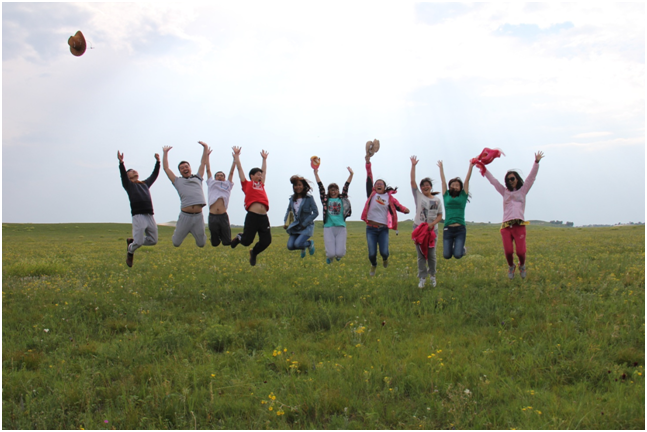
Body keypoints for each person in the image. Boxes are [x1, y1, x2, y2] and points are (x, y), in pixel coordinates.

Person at [483, 151, 545, 279]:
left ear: (517, 179)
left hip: (519, 225)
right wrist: (483, 169)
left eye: (512, 178)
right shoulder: (504, 192)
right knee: (508, 251)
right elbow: (493, 181)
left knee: (521, 252)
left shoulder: (523, 191)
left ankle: (522, 265)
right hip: (506, 226)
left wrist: (536, 162)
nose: (510, 181)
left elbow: (531, 178)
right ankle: (511, 267)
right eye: (508, 179)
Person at [361, 141, 409, 276]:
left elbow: (397, 206)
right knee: (371, 253)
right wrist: (368, 162)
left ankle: (385, 259)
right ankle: (373, 265)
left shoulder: (389, 198)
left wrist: (405, 209)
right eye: (377, 184)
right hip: (370, 228)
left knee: (384, 251)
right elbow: (369, 175)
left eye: (381, 184)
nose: (378, 185)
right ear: (374, 187)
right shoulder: (372, 194)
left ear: (385, 186)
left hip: (383, 230)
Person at [162, 141, 209, 248]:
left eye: (186, 166)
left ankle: (194, 231)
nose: (184, 169)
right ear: (180, 171)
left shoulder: (198, 178)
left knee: (201, 244)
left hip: (198, 216)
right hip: (185, 216)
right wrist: (165, 153)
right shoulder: (177, 181)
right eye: (182, 168)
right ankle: (184, 229)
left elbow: (203, 163)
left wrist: (205, 147)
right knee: (176, 243)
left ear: (190, 168)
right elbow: (166, 168)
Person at [230, 147, 271, 266]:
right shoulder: (246, 184)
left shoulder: (261, 185)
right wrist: (237, 157)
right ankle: (239, 237)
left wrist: (264, 159)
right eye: (258, 175)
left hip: (263, 217)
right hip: (252, 216)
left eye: (261, 175)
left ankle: (254, 252)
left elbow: (265, 171)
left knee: (266, 241)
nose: (261, 176)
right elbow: (239, 169)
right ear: (252, 176)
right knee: (247, 241)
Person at [118, 150, 160, 267]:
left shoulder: (145, 184)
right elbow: (122, 175)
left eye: (134, 170)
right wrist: (121, 163)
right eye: (130, 171)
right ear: (128, 176)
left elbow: (154, 175)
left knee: (153, 240)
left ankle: (133, 241)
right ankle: (130, 250)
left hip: (149, 215)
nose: (134, 171)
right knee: (139, 242)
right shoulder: (129, 185)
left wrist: (158, 162)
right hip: (138, 215)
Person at [410, 156, 443, 288]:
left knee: (432, 255)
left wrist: (432, 224)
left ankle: (433, 276)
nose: (425, 187)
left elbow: (440, 215)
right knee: (421, 256)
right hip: (418, 228)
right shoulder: (418, 196)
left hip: (432, 230)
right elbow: (412, 181)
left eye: (427, 185)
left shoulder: (436, 200)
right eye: (423, 185)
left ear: (431, 187)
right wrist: (413, 166)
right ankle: (422, 278)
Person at [313, 166, 354, 264]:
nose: (334, 191)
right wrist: (316, 174)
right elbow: (320, 187)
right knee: (331, 253)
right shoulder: (325, 199)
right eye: (331, 190)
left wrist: (351, 174)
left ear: (338, 191)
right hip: (328, 227)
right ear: (329, 191)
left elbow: (346, 186)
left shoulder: (342, 198)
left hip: (341, 227)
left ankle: (338, 256)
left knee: (340, 253)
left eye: (335, 189)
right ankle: (330, 258)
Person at [437, 160, 474, 260]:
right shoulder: (446, 195)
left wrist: (471, 167)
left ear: (461, 188)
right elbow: (443, 181)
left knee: (457, 255)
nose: (454, 186)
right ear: (450, 187)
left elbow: (467, 181)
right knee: (447, 256)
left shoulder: (463, 195)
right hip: (448, 229)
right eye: (453, 185)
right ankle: (457, 248)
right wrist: (441, 168)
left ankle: (462, 250)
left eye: (457, 185)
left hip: (460, 228)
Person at [206, 150, 236, 247]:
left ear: (224, 177)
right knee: (215, 244)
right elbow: (208, 170)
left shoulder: (227, 184)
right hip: (213, 215)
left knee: (227, 242)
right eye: (217, 175)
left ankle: (235, 237)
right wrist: (207, 156)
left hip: (223, 215)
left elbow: (231, 172)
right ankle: (214, 238)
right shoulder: (211, 183)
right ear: (214, 178)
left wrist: (235, 159)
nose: (219, 177)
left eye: (221, 175)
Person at [283, 176, 319, 258]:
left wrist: (305, 223)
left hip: (306, 226)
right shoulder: (292, 199)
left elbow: (316, 212)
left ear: (303, 186)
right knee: (290, 246)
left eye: (299, 185)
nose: (297, 187)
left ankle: (309, 243)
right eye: (295, 185)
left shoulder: (309, 198)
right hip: (296, 226)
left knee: (297, 243)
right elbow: (289, 212)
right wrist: (286, 223)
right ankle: (304, 246)